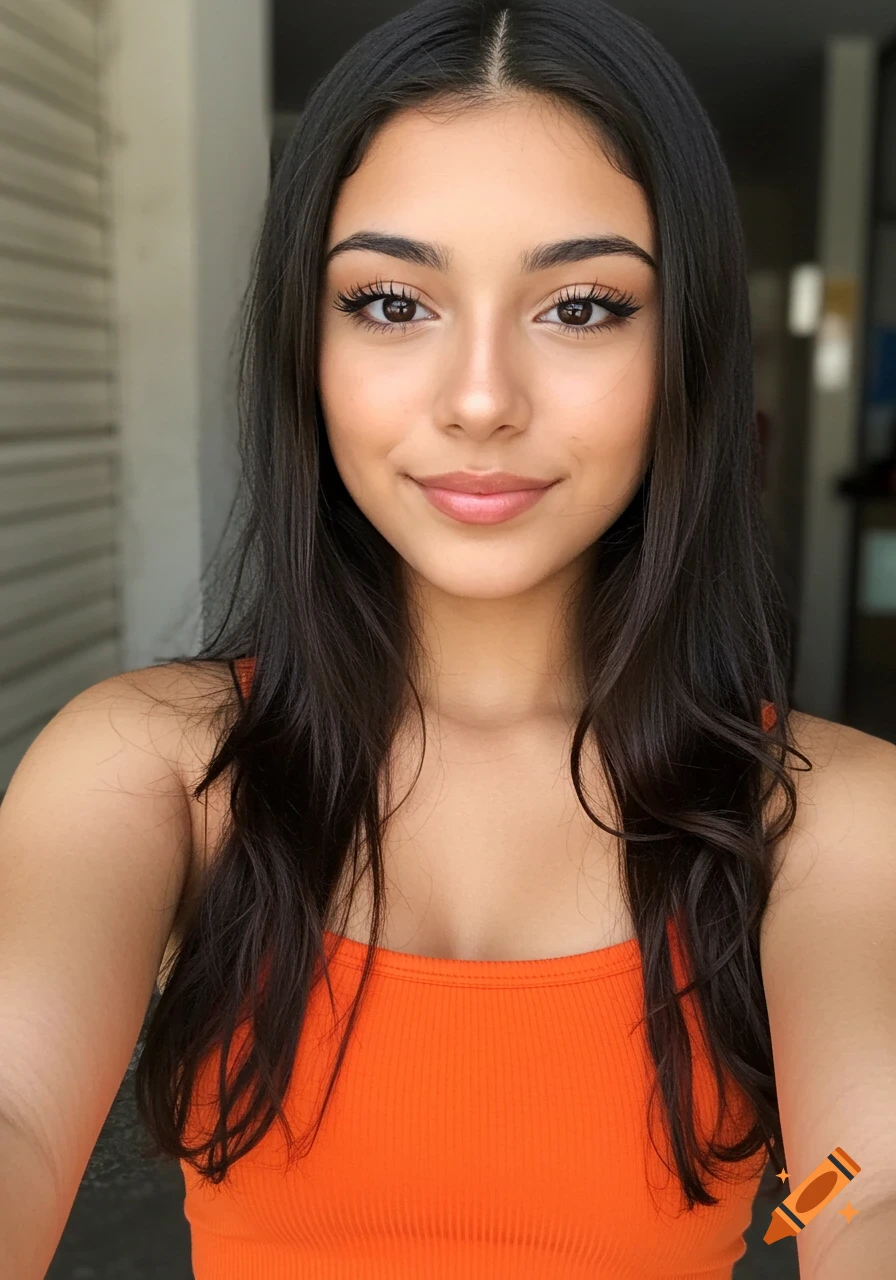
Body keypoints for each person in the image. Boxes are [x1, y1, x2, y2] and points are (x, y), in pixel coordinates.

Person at [1, 1, 894, 1276]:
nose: (480, 398)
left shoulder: (822, 813)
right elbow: (19, 1115)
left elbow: (855, 1184)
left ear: (683, 348)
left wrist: (824, 1214)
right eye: (388, 300)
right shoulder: (151, 767)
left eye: (581, 306)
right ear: (303, 347)